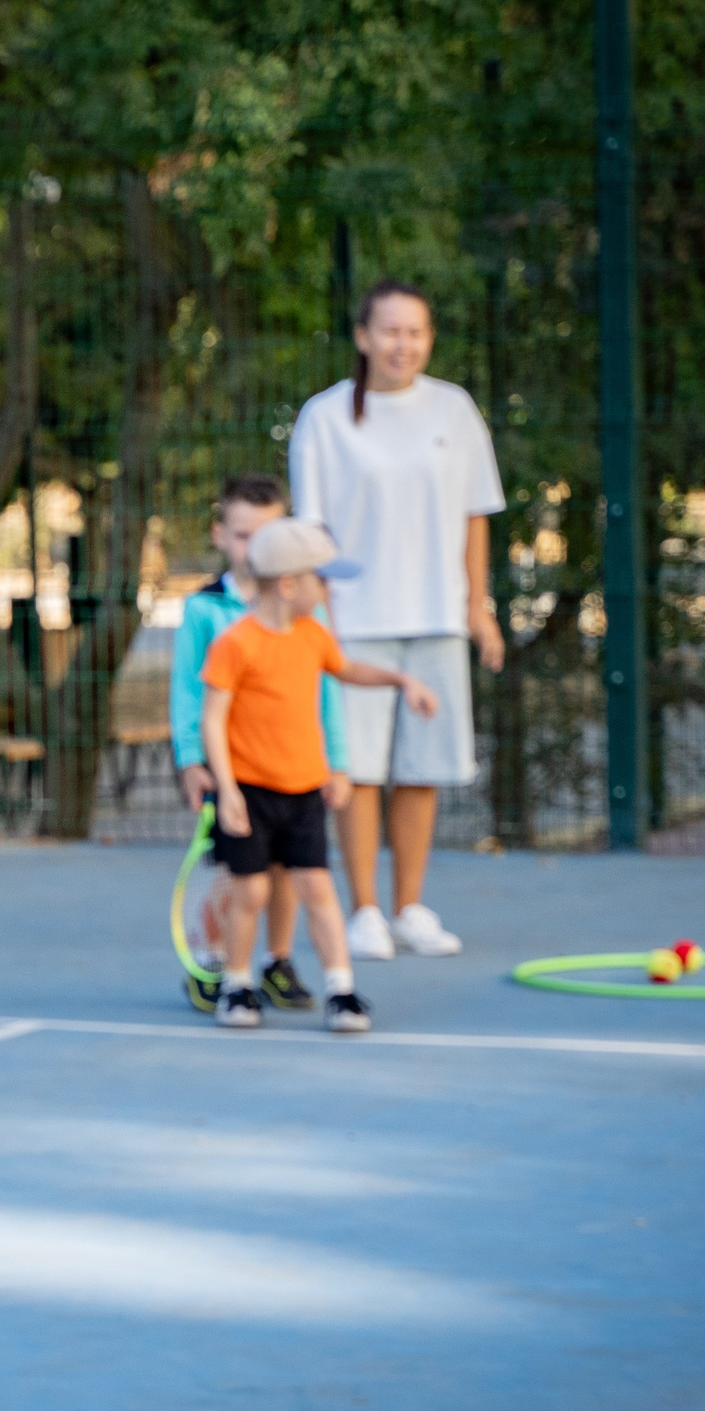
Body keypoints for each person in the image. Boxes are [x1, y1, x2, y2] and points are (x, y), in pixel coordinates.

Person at [288, 279, 506, 959]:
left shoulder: (454, 410)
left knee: (421, 770)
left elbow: (476, 516)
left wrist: (477, 609)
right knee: (359, 773)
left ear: (429, 339)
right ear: (362, 337)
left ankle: (410, 907)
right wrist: (319, 622)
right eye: (389, 331)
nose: (402, 344)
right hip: (354, 624)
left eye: (415, 332)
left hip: (437, 620)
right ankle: (365, 913)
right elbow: (311, 533)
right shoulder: (324, 419)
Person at [201, 519, 440, 1034]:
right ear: (289, 585)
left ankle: (342, 990)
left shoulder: (313, 635)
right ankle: (237, 984)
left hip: (304, 791)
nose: (328, 590)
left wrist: (401, 680)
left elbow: (348, 670)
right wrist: (227, 789)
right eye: (322, 580)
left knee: (318, 887)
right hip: (251, 792)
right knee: (252, 893)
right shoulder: (236, 643)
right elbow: (213, 719)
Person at [170, 473, 350, 1011]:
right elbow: (189, 694)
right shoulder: (205, 611)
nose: (257, 548)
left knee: (290, 872)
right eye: (245, 535)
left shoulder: (305, 613)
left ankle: (276, 960)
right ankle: (216, 961)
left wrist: (336, 762)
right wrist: (191, 760)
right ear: (220, 534)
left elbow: (325, 693)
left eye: (269, 534)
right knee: (240, 876)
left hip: (292, 767)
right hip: (235, 768)